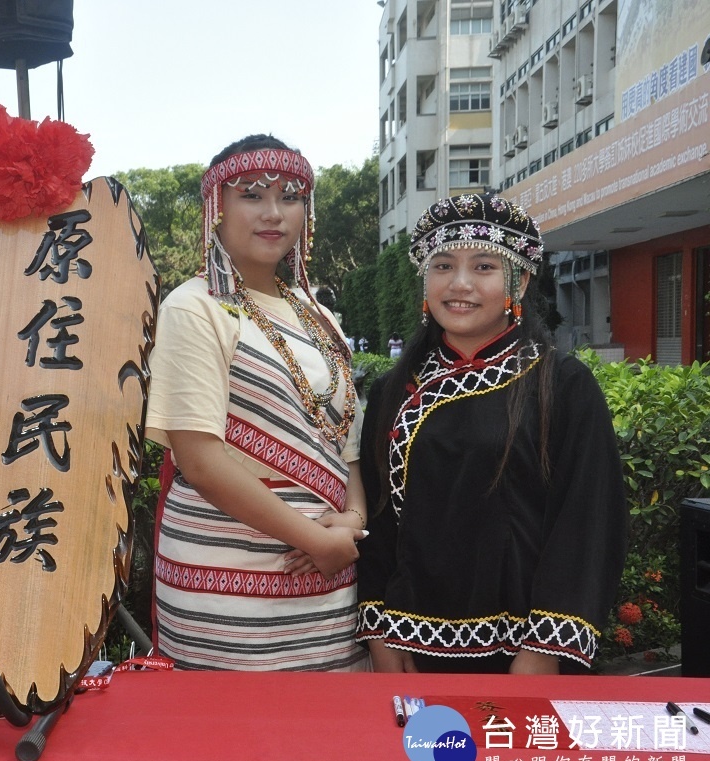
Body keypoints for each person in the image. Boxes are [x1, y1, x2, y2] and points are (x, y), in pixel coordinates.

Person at [356, 192, 627, 674]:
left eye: (483, 267)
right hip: (408, 648)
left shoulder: (561, 384)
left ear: (518, 281)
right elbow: (377, 524)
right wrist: (380, 633)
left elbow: (586, 524)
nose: (459, 284)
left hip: (524, 652)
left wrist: (543, 651)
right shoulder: (392, 391)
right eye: (443, 266)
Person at [145, 135, 369, 671]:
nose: (274, 213)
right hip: (223, 580)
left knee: (327, 740)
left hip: (329, 575)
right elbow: (199, 461)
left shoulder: (322, 316)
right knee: (229, 743)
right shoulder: (194, 306)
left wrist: (352, 522)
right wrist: (314, 539)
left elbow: (346, 445)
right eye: (251, 194)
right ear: (216, 208)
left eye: (290, 196)